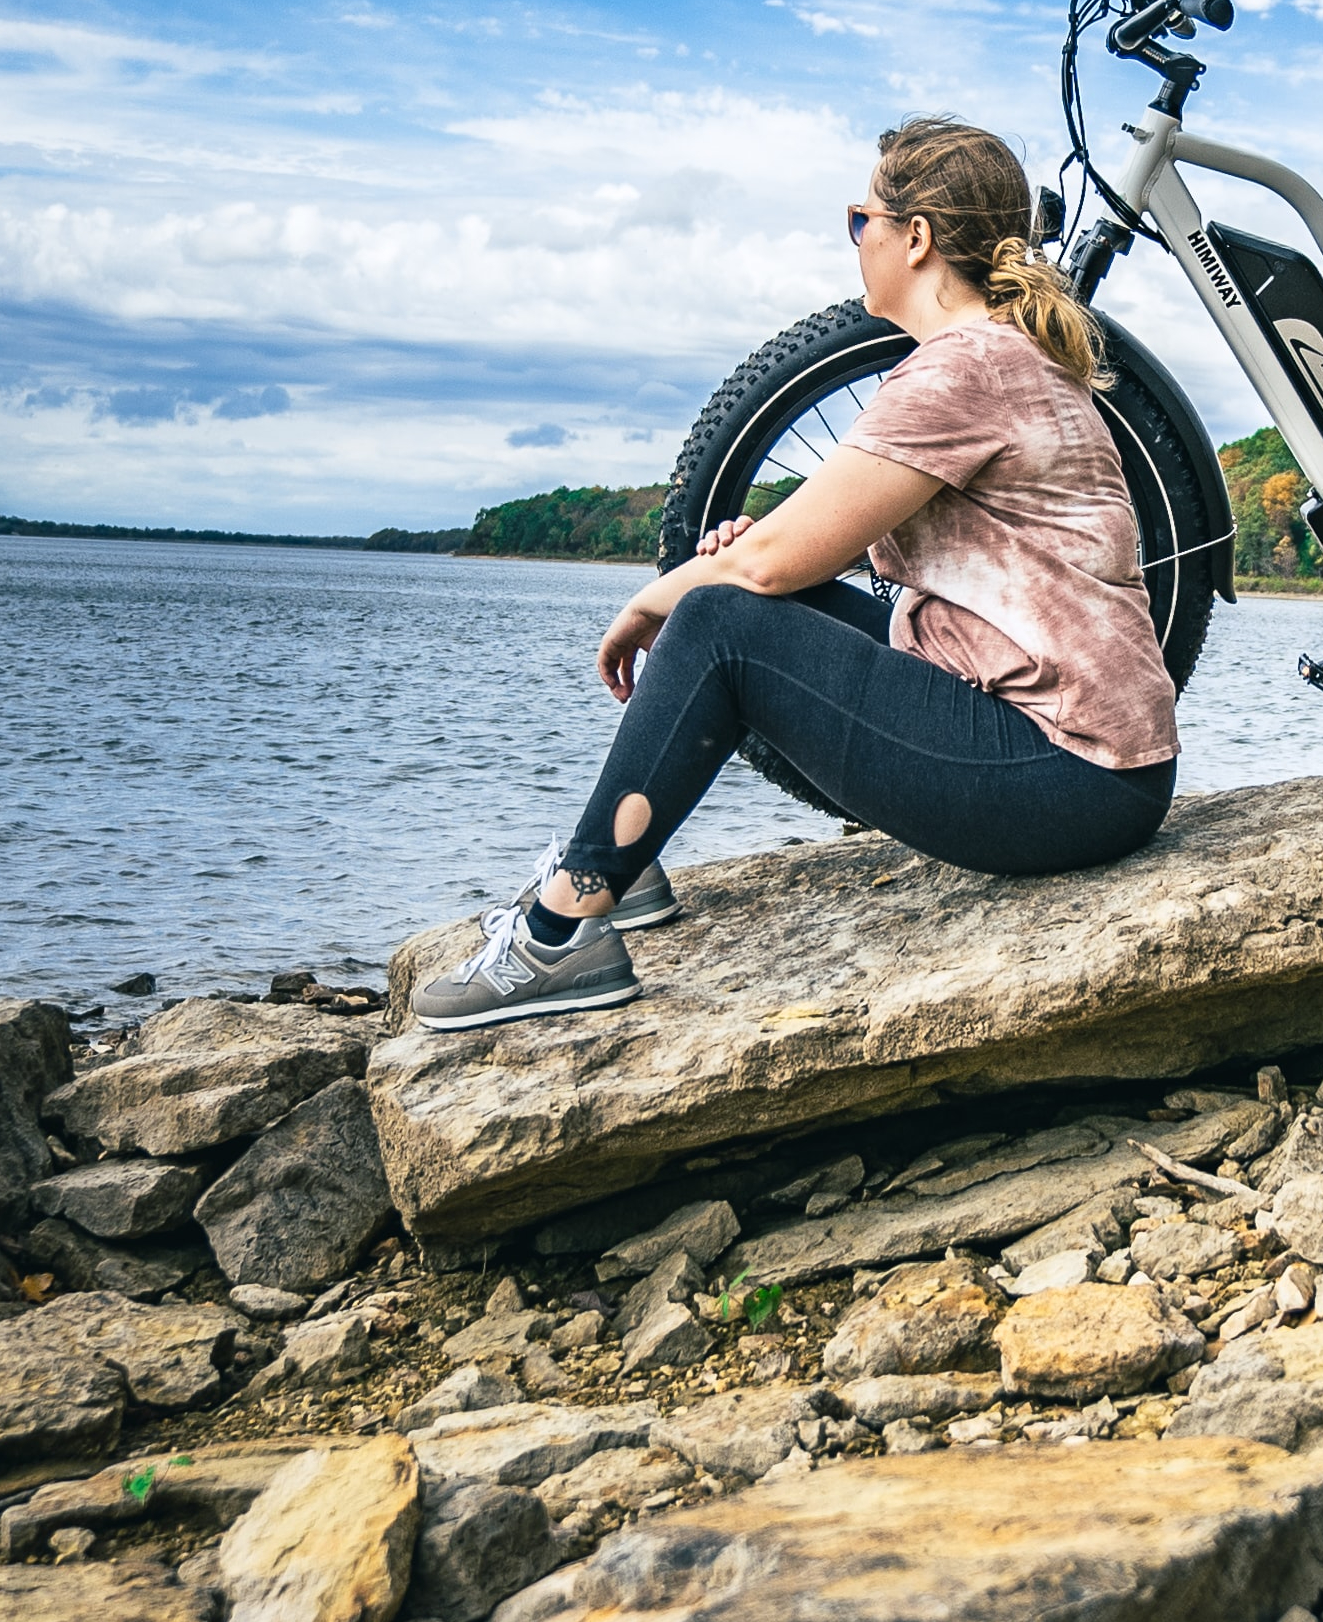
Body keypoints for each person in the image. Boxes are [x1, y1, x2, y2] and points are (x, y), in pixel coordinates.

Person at [415, 117, 1181, 1032]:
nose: (857, 241)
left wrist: (654, 599)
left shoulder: (960, 372)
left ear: (917, 238)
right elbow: (832, 540)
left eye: (862, 219)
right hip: (1093, 766)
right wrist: (752, 559)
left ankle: (562, 930)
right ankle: (623, 855)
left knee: (717, 624)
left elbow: (772, 564)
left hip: (1070, 780)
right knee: (738, 599)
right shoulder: (1006, 356)